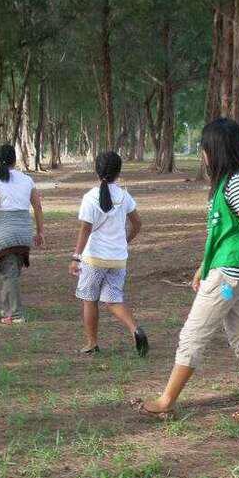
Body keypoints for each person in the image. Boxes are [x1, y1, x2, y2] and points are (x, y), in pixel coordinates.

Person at [138, 118, 239, 419]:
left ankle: (166, 401)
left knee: (193, 334)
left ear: (216, 150)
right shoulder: (226, 183)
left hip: (229, 274)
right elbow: (220, 233)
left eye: (204, 148)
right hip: (229, 273)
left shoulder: (237, 183)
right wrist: (202, 267)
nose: (202, 154)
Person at [70, 151, 148, 356]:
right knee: (113, 300)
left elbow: (85, 230)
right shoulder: (124, 196)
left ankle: (92, 343)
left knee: (90, 300)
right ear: (118, 172)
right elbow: (137, 224)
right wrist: (124, 241)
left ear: (97, 171)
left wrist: (76, 257)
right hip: (118, 259)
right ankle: (135, 329)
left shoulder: (90, 197)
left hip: (94, 258)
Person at [0, 145, 45, 325]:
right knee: (12, 271)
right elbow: (37, 207)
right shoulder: (27, 180)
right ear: (14, 160)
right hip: (24, 232)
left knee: (10, 274)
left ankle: (15, 314)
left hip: (6, 233)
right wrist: (40, 232)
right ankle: (8, 310)